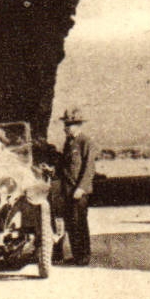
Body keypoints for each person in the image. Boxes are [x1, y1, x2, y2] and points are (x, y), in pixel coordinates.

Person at [59, 108, 96, 265]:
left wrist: (81, 188)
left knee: (80, 222)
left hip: (79, 191)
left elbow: (89, 168)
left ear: (78, 125)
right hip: (68, 190)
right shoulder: (68, 143)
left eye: (69, 124)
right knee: (70, 223)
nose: (66, 128)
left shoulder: (85, 142)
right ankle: (77, 255)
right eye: (66, 124)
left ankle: (84, 256)